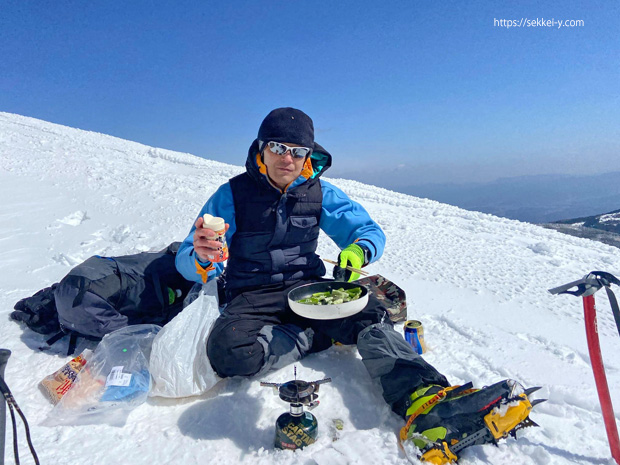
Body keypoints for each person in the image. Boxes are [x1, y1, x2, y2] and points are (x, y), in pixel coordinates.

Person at [175, 108, 537, 462]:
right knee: (229, 353)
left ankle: (424, 397)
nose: (288, 158)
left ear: (308, 156)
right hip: (251, 293)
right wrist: (204, 257)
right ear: (261, 150)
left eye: (298, 151)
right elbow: (189, 258)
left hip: (308, 289)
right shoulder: (231, 195)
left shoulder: (320, 192)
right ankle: (314, 335)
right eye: (278, 147)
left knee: (373, 314)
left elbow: (367, 231)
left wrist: (358, 252)